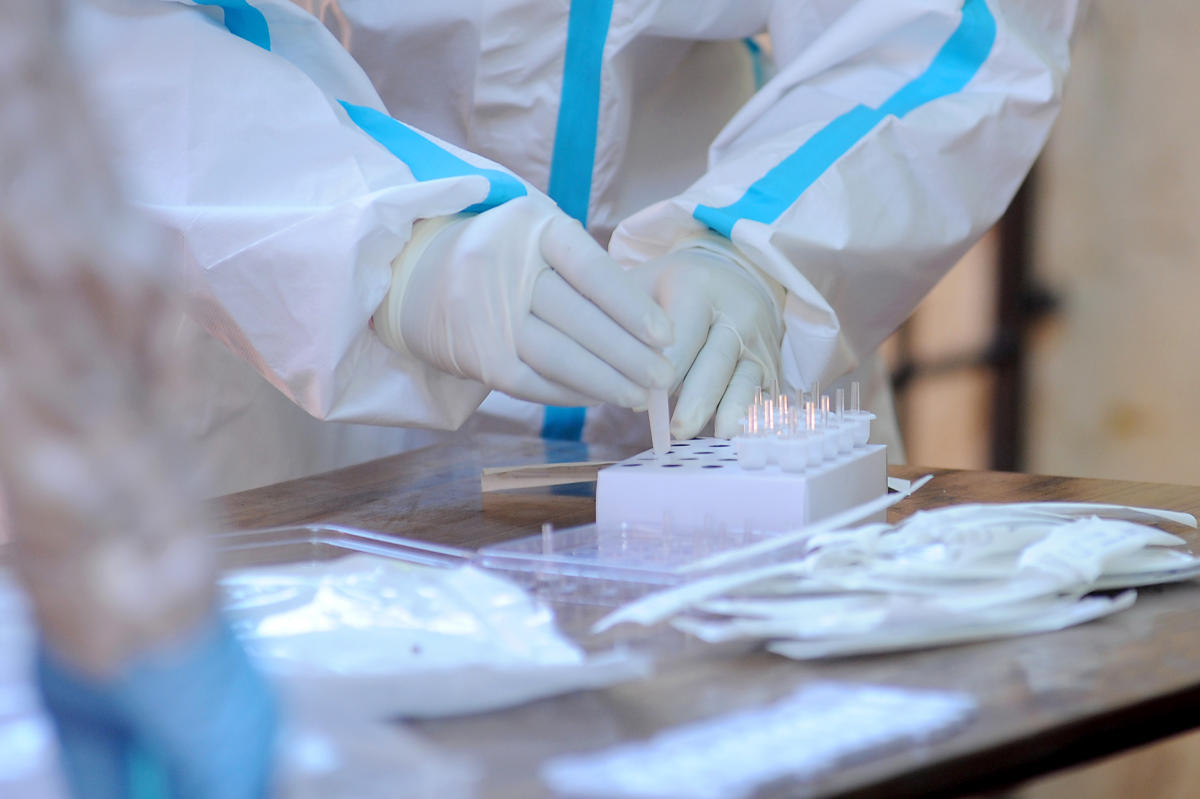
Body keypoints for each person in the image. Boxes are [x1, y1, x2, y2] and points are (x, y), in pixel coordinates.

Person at [64, 0, 1083, 494]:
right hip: (255, 303)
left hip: (719, 306)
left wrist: (761, 251)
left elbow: (952, 27)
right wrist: (385, 246)